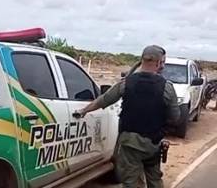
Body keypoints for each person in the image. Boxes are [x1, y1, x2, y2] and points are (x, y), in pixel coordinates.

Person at [76, 45, 180, 188]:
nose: (163, 65)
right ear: (158, 62)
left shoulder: (127, 83)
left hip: (130, 144)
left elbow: (104, 99)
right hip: (153, 144)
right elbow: (175, 117)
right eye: (162, 62)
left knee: (131, 182)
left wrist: (84, 111)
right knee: (155, 180)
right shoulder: (167, 87)